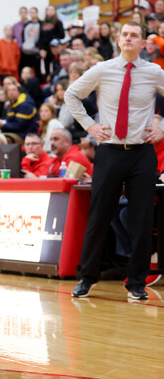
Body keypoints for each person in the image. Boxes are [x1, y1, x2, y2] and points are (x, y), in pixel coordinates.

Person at [65, 21, 164, 300]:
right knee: (98, 217)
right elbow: (71, 94)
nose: (128, 38)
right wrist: (90, 126)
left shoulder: (154, 72)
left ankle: (136, 283)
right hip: (109, 151)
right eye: (125, 35)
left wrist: (162, 129)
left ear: (143, 43)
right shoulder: (102, 69)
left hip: (142, 153)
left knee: (142, 220)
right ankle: (86, 278)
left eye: (134, 35)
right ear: (119, 40)